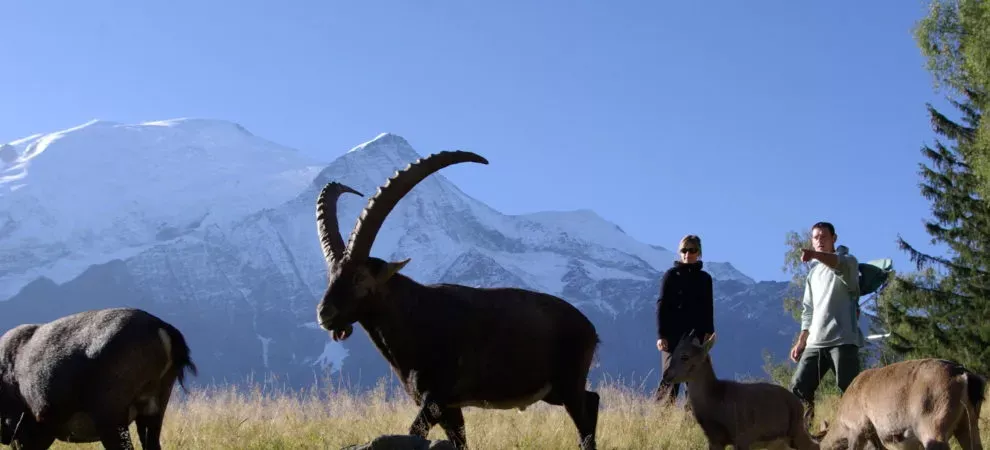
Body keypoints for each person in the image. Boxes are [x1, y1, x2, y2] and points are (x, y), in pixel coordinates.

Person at [788, 221, 864, 423]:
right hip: (815, 342)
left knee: (849, 391)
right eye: (815, 238)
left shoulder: (849, 262)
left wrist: (813, 255)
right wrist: (802, 340)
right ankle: (803, 435)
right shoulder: (813, 274)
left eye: (824, 237)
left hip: (843, 340)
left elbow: (838, 263)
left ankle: (855, 438)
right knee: (799, 387)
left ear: (834, 239)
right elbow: (808, 310)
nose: (819, 241)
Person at [654, 234, 715, 404]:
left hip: (695, 337)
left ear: (699, 253)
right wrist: (661, 335)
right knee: (670, 376)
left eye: (692, 250)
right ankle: (660, 421)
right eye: (684, 250)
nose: (688, 254)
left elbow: (707, 308)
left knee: (694, 380)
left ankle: (689, 423)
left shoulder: (705, 279)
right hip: (671, 337)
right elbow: (661, 306)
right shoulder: (671, 276)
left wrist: (708, 334)